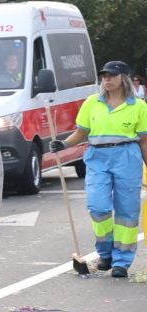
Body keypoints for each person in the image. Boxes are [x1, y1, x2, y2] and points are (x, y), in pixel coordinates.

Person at [58, 60, 147, 278]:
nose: (106, 79)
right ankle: (105, 253)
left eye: (111, 75)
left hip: (127, 156)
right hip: (97, 157)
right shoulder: (91, 103)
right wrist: (64, 144)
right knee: (98, 207)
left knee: (127, 212)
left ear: (123, 78)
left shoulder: (139, 107)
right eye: (104, 76)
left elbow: (144, 141)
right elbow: (81, 133)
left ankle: (121, 262)